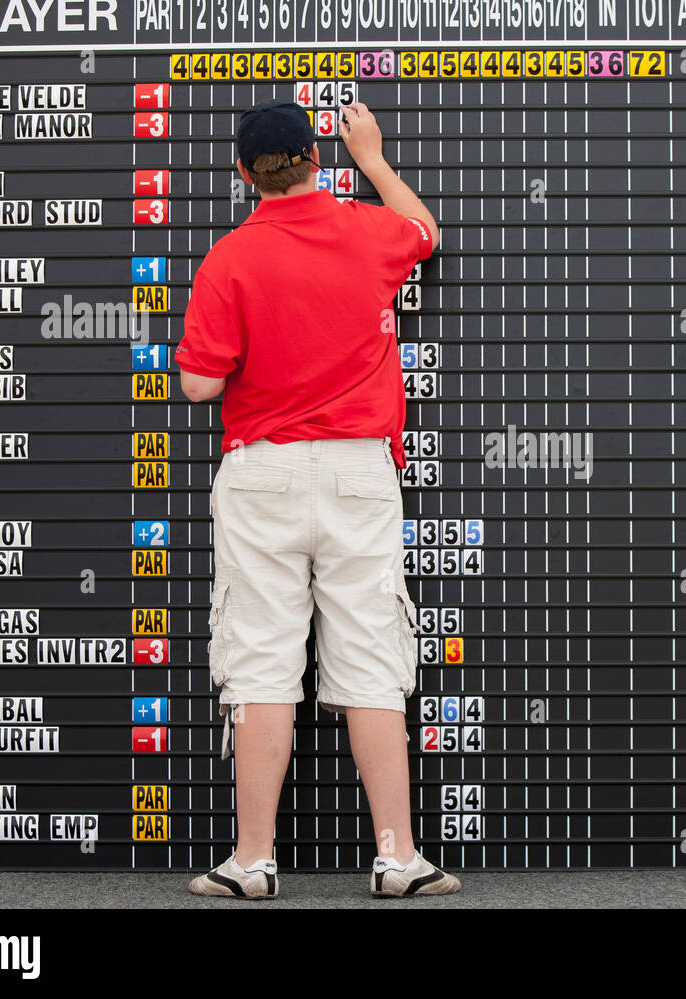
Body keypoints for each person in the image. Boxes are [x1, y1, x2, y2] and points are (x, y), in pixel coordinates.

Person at [175, 97, 460, 898]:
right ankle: (400, 859)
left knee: (262, 663)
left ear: (243, 175)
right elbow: (425, 232)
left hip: (261, 474)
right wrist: (370, 158)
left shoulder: (228, 258)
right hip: (357, 473)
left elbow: (200, 385)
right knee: (371, 662)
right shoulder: (368, 233)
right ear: (315, 159)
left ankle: (253, 862)